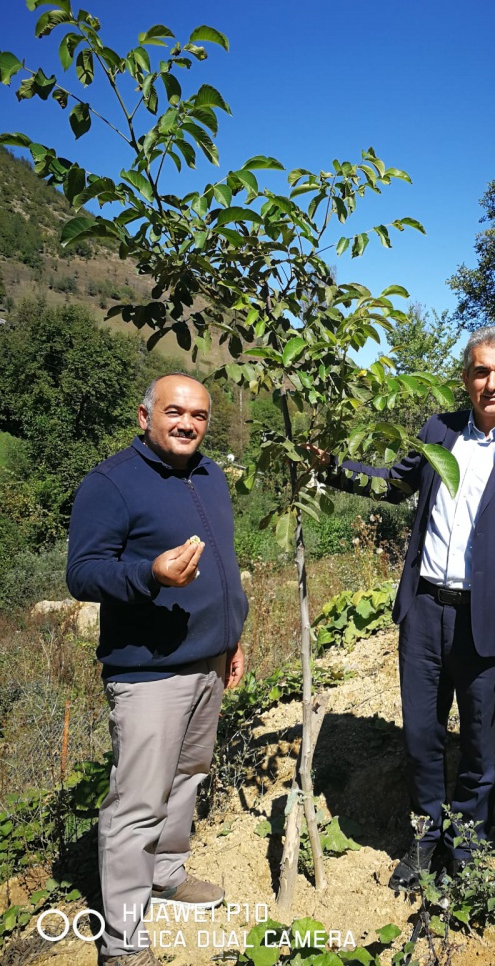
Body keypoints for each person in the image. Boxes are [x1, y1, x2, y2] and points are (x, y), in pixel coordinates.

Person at [319, 326, 495, 888]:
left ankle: (467, 842)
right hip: (423, 608)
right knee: (421, 733)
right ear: (465, 378)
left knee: (478, 735)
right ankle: (424, 836)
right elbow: (394, 485)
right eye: (479, 371)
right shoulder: (439, 431)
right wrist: (329, 466)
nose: (489, 382)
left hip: (486, 617)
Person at [66, 373, 248, 966]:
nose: (187, 424)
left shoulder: (209, 473)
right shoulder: (112, 483)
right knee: (137, 803)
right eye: (174, 412)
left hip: (209, 660)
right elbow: (83, 572)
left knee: (189, 775)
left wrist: (232, 637)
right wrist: (148, 574)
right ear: (145, 417)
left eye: (198, 415)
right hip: (148, 672)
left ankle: (166, 874)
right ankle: (122, 942)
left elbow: (222, 561)